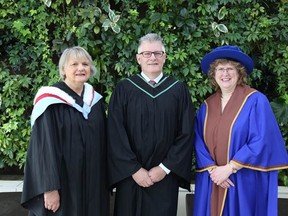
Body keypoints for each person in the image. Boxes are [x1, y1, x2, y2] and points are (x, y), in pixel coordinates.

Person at [193, 45, 288, 216]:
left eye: (230, 69)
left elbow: (262, 138)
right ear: (214, 75)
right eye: (220, 69)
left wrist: (229, 168)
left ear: (240, 73)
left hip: (243, 178)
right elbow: (197, 139)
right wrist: (213, 170)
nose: (225, 74)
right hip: (213, 179)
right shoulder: (206, 106)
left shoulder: (256, 100)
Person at [107, 33, 195, 216]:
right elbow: (115, 133)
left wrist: (164, 168)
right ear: (138, 58)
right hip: (130, 177)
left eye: (157, 53)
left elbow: (186, 133)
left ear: (164, 57)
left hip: (164, 178)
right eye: (147, 53)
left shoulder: (178, 90)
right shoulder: (124, 89)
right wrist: (134, 169)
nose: (152, 57)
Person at [21, 46, 110, 216]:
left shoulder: (95, 102)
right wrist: (49, 188)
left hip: (93, 184)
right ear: (63, 70)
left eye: (85, 64)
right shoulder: (50, 102)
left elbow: (104, 143)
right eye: (74, 64)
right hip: (63, 185)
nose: (80, 68)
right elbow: (43, 150)